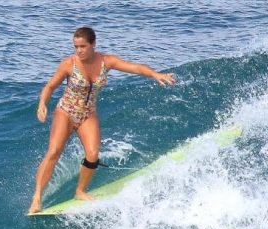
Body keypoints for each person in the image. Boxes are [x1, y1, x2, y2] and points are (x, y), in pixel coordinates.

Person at [28, 27, 175, 215]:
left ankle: (80, 191)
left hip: (88, 114)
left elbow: (134, 67)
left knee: (93, 153)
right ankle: (37, 198)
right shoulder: (69, 64)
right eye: (76, 47)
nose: (79, 50)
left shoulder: (106, 61)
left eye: (83, 46)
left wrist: (155, 74)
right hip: (66, 111)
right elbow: (50, 86)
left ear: (93, 45)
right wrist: (42, 104)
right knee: (54, 151)